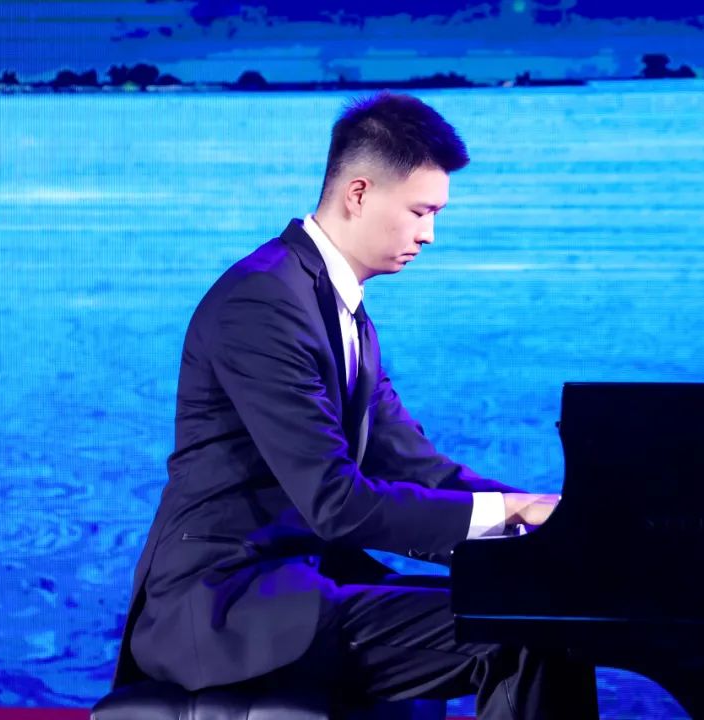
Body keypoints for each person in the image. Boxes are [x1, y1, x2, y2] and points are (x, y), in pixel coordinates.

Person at [111, 92, 599, 719]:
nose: (429, 234)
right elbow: (335, 501)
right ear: (359, 194)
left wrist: (542, 521)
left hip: (301, 580)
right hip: (224, 606)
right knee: (524, 635)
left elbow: (414, 465)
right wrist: (505, 513)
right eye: (421, 211)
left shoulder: (337, 309)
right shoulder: (263, 303)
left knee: (542, 611)